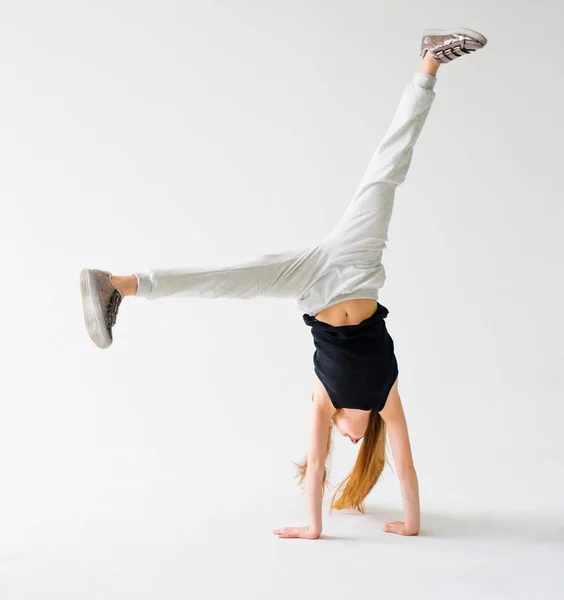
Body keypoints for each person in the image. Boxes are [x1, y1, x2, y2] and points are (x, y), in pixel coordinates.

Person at [80, 27, 488, 540]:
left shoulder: (324, 399)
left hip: (314, 285)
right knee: (388, 168)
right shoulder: (388, 398)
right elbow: (406, 469)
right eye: (354, 442)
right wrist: (412, 524)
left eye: (341, 438)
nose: (348, 438)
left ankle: (119, 284)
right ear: (368, 437)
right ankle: (430, 61)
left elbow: (315, 468)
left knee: (230, 281)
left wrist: (313, 528)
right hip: (356, 263)